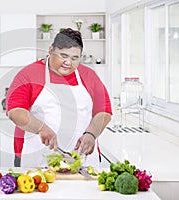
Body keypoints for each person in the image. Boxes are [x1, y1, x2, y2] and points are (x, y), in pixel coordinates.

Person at [6, 28, 112, 167]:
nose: (68, 62)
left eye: (75, 58)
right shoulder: (28, 74)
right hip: (37, 159)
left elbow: (104, 111)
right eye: (63, 56)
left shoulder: (89, 76)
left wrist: (91, 134)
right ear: (51, 51)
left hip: (82, 160)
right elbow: (15, 111)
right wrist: (41, 128)